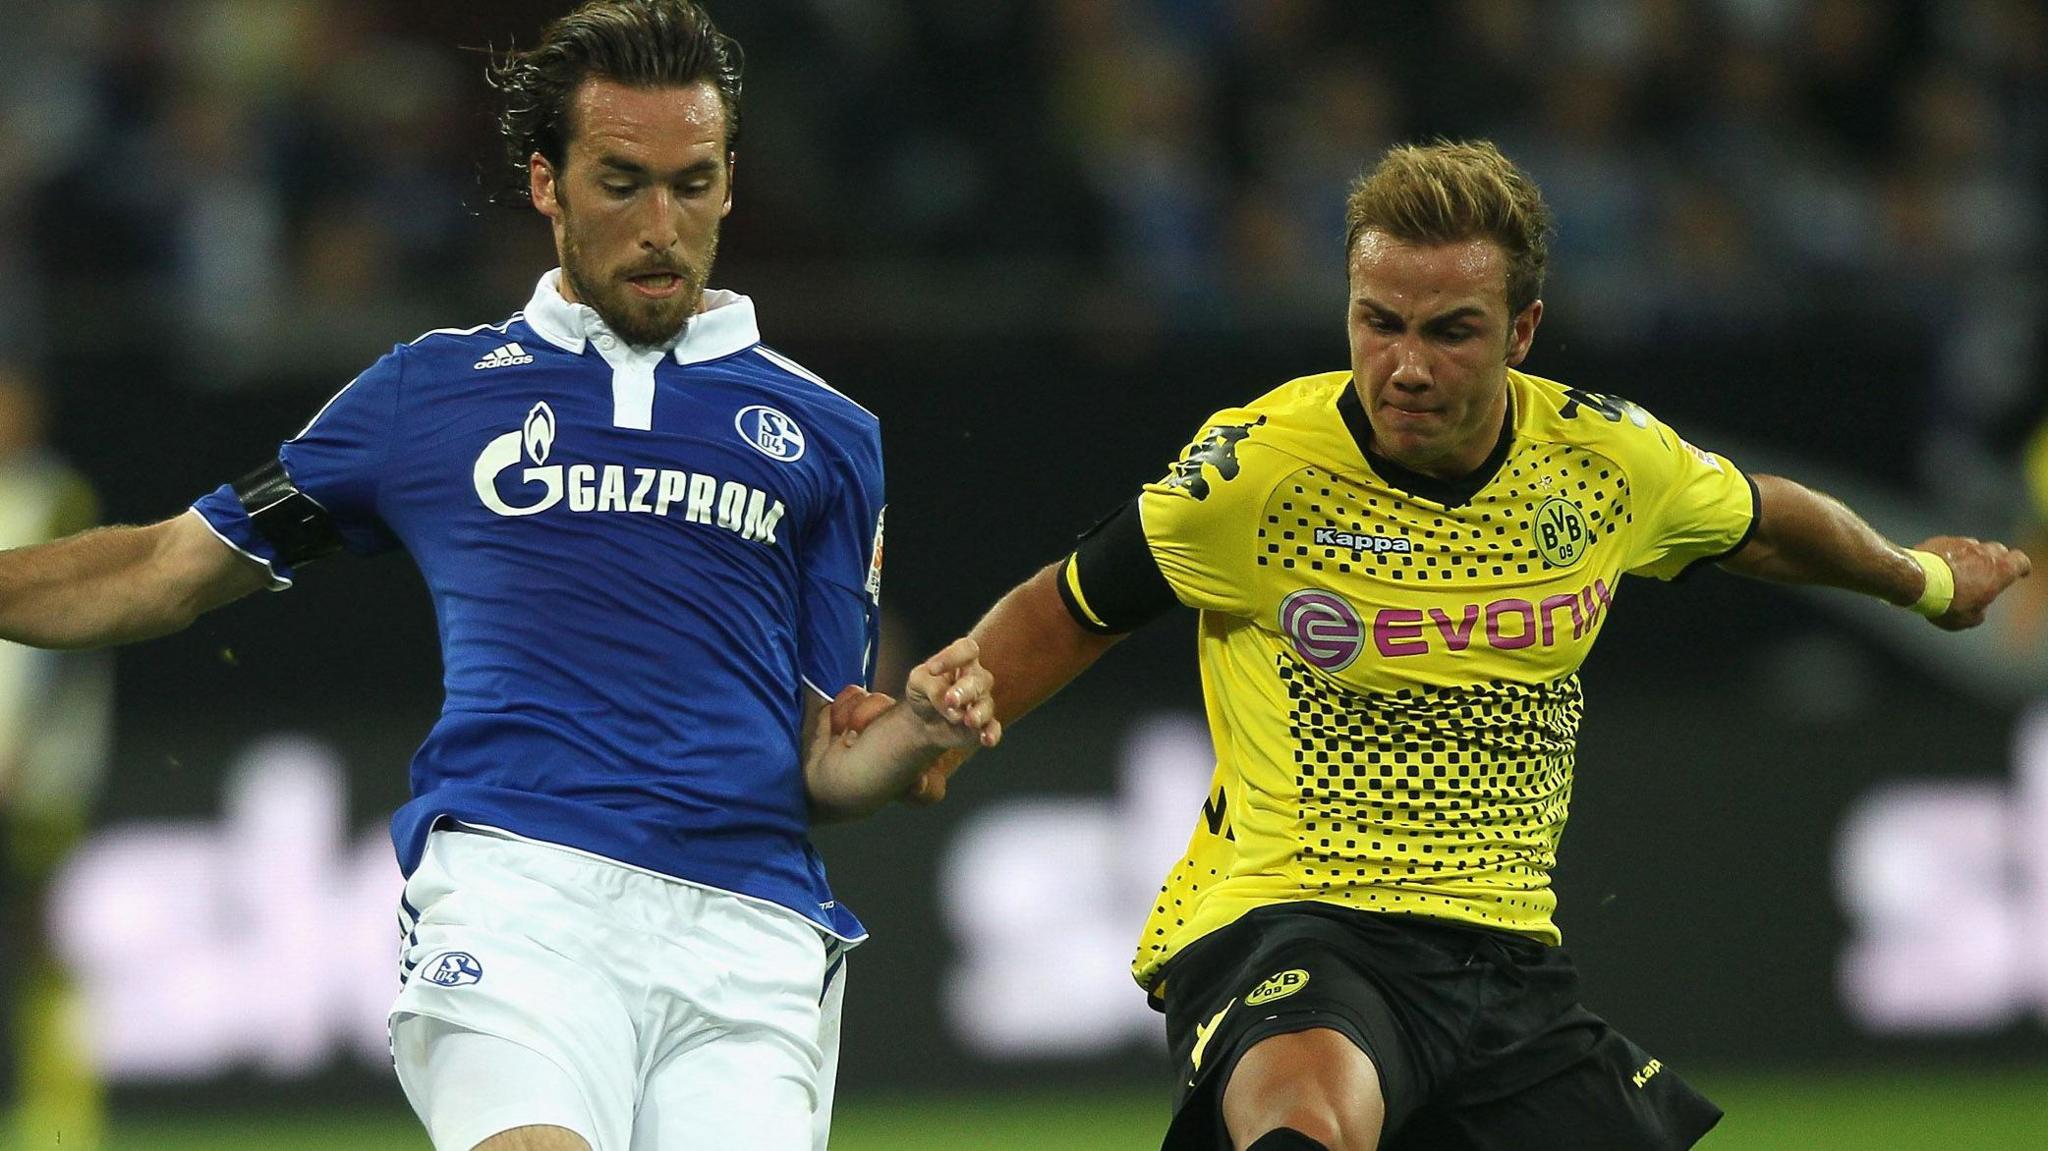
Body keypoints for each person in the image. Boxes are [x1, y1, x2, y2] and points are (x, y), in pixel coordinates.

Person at [0, 3, 1000, 1150]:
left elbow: (827, 755)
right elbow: (172, 568)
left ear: (729, 184)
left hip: (751, 929)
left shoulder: (827, 433)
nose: (661, 226)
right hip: (521, 898)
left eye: (692, 182)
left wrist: (915, 728)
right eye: (621, 182)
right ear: (546, 184)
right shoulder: (430, 394)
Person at [919, 140, 2030, 1151]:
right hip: (1289, 915)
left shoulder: (1603, 460)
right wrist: (943, 727)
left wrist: (1920, 579)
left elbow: (1760, 520)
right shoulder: (1256, 471)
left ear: (1522, 329)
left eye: (1449, 330)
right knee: (1305, 1121)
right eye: (1376, 321)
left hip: (1500, 954)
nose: (1404, 365)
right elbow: (1072, 603)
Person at [0, 366, 112, 1151]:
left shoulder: (56, 497)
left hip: (35, 775)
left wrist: (16, 752)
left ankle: (62, 1112)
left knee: (40, 936)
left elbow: (56, 647)